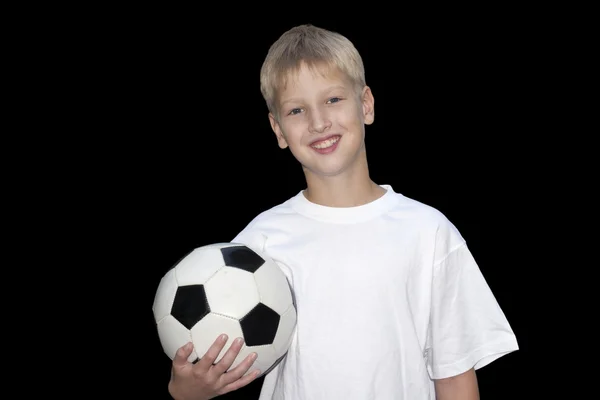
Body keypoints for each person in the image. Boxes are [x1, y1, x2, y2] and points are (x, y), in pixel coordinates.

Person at [167, 24, 519, 400]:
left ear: (365, 104)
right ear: (278, 129)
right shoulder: (260, 241)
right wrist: (185, 388)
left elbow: (454, 373)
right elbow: (211, 361)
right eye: (297, 109)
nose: (319, 122)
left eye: (333, 99)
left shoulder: (427, 231)